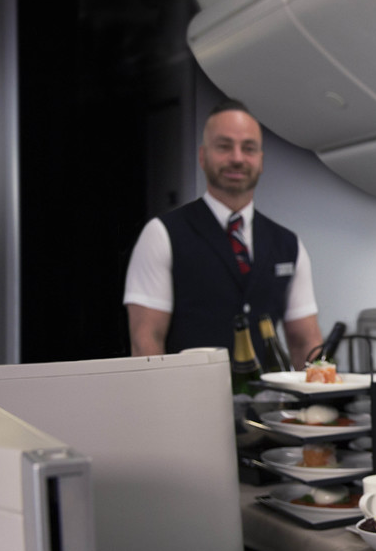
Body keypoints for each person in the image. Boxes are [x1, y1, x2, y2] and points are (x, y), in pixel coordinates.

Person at [124, 100, 324, 367]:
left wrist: (320, 402)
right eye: (224, 146)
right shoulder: (162, 235)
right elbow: (146, 341)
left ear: (261, 161)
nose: (238, 158)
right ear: (203, 157)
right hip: (191, 400)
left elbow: (304, 342)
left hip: (268, 403)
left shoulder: (288, 244)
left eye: (248, 148)